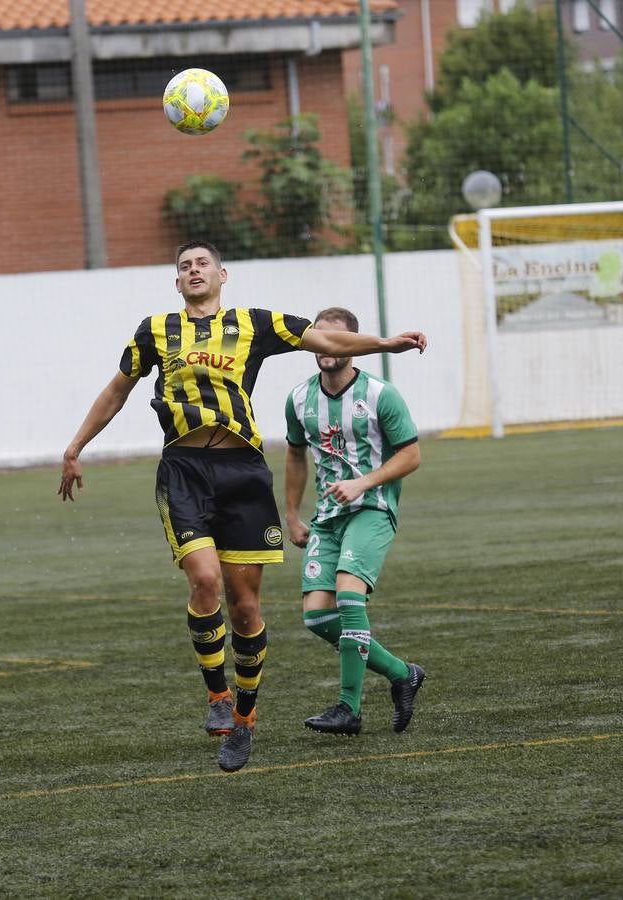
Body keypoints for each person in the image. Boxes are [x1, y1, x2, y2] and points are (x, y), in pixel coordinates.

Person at [58, 241, 426, 772]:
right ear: (177, 283)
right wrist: (75, 447)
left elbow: (325, 337)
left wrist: (385, 344)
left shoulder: (255, 323)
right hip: (184, 471)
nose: (192, 270)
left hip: (243, 474)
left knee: (245, 607)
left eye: (201, 263)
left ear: (223, 275)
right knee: (203, 579)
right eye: (183, 266)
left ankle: (246, 722)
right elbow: (116, 390)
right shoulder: (154, 332)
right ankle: (217, 697)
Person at [284, 306, 425, 736]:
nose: (327, 348)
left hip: (372, 508)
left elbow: (412, 455)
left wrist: (365, 482)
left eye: (337, 339)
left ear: (352, 345)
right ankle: (403, 673)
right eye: (319, 339)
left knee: (348, 598)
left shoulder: (382, 394)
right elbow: (294, 454)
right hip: (328, 518)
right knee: (316, 617)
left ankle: (349, 708)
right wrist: (291, 513)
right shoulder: (298, 398)